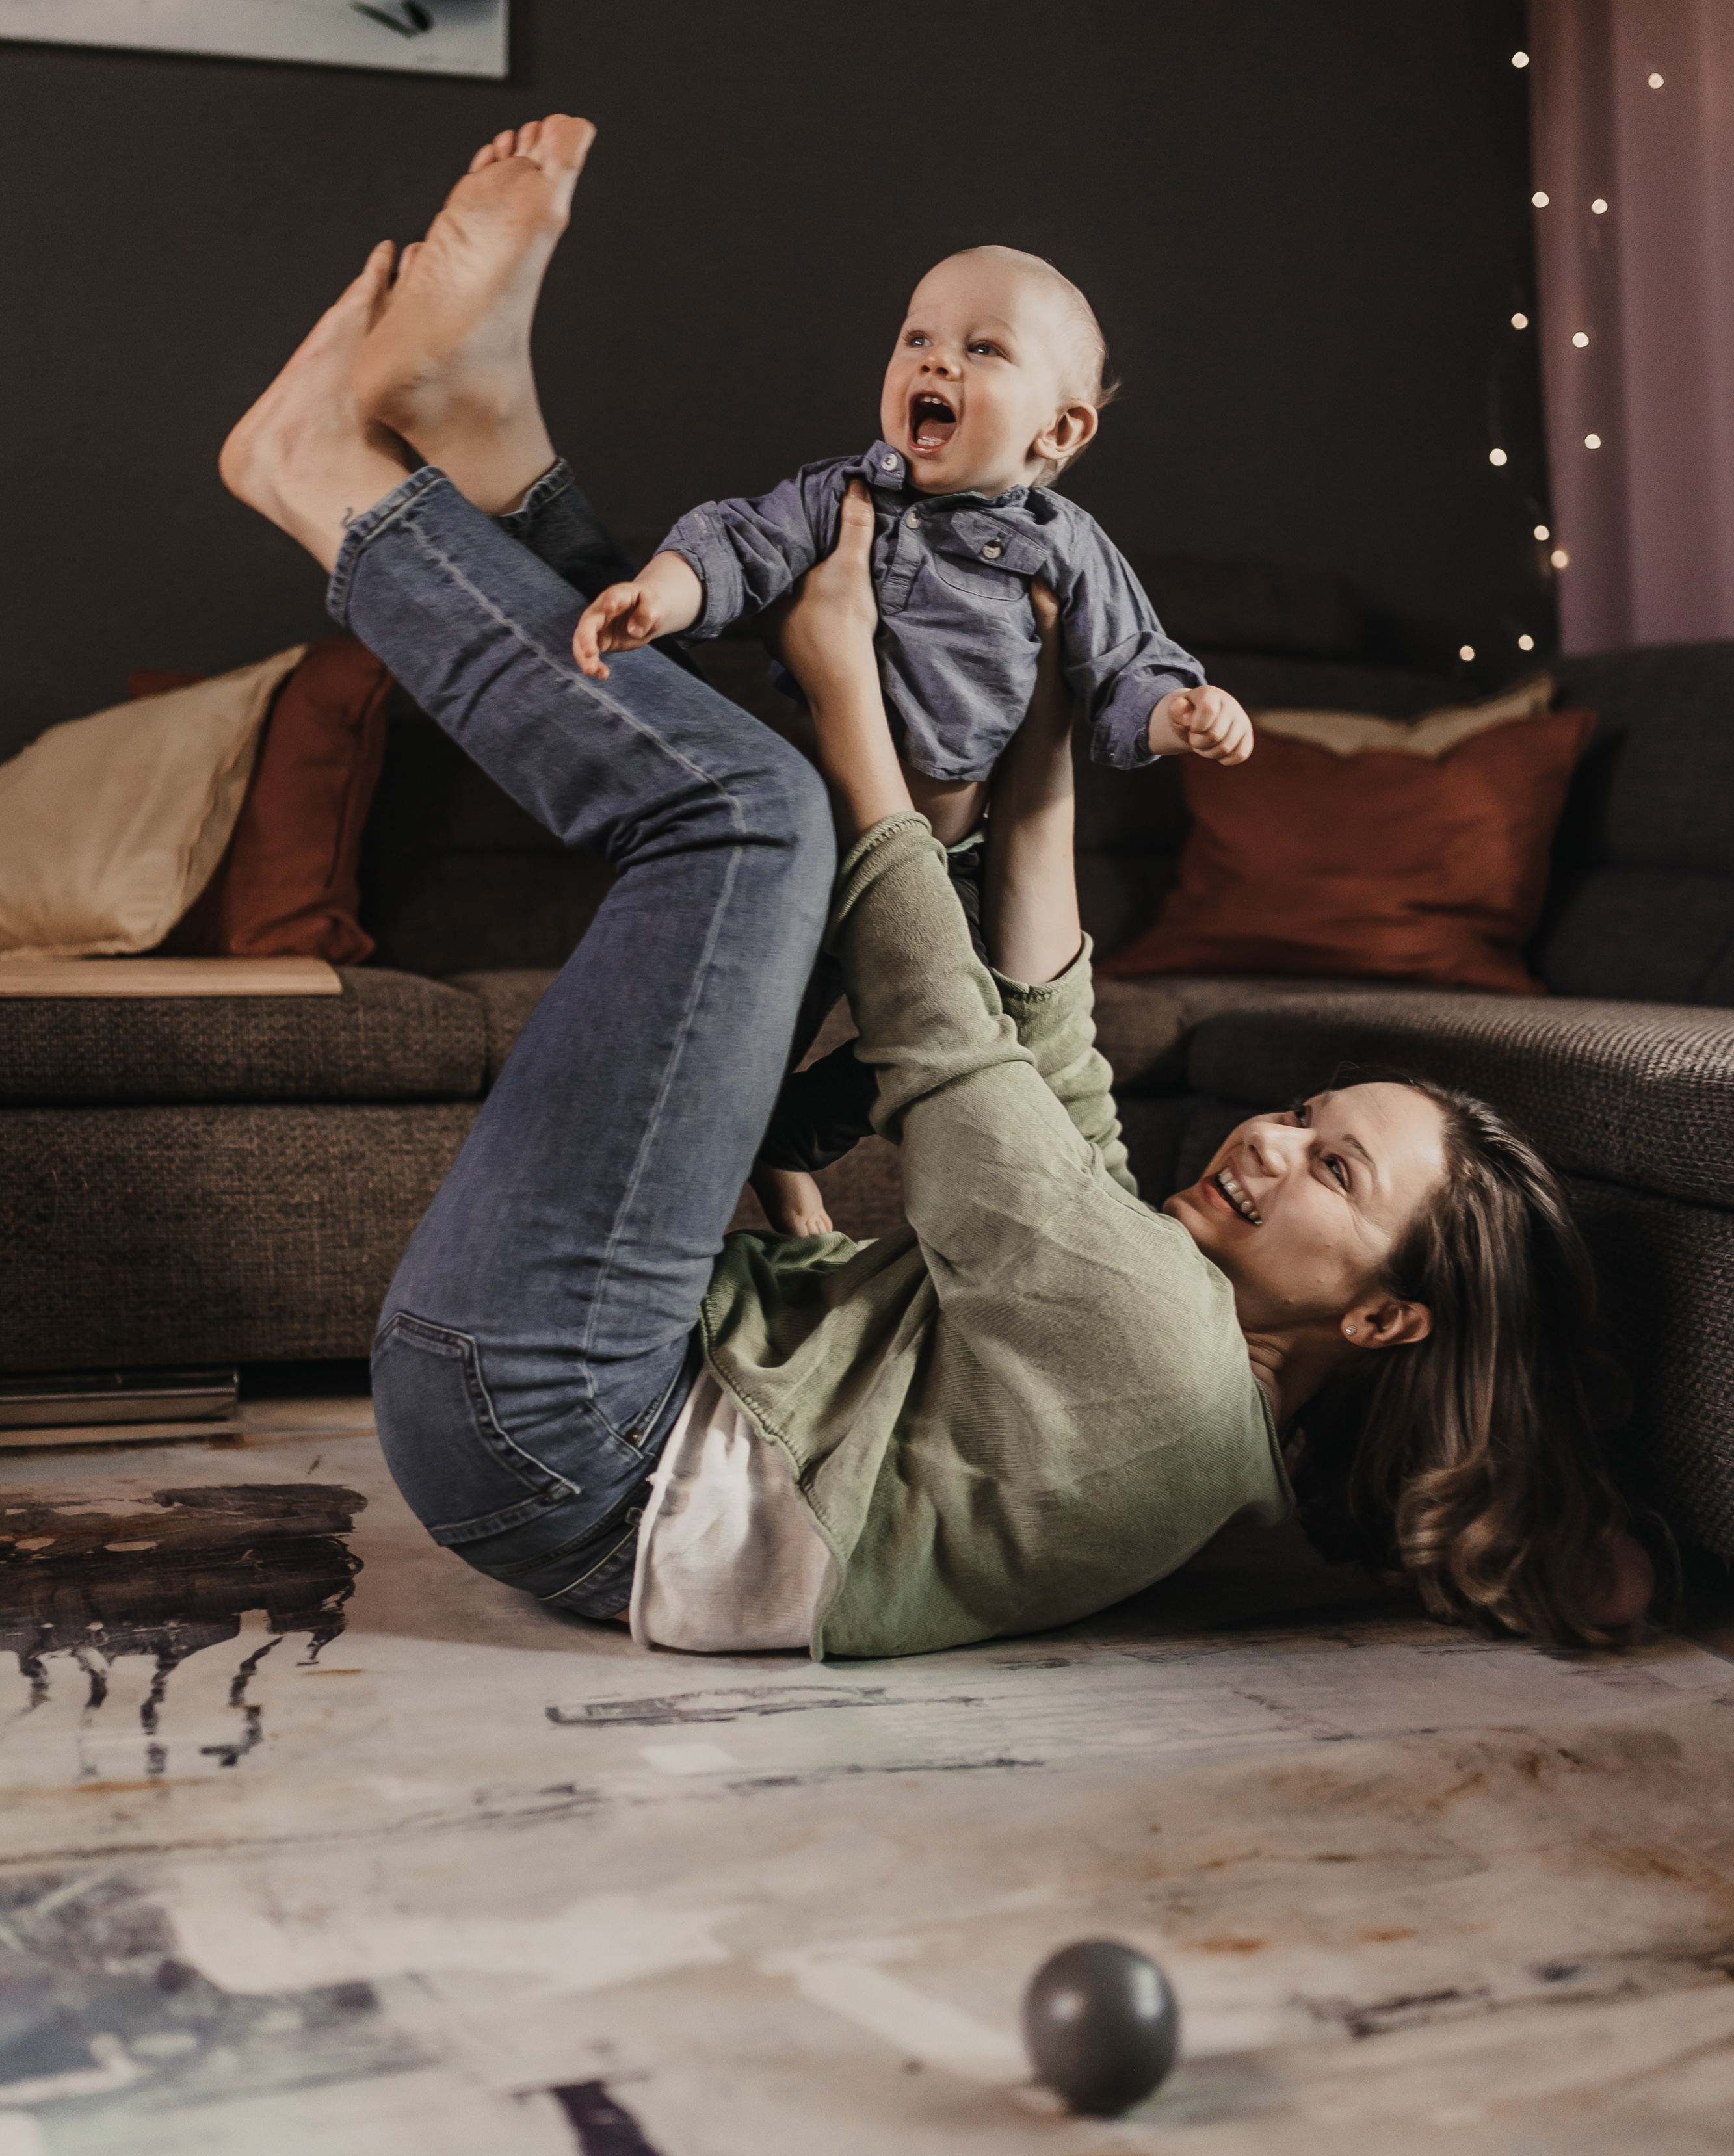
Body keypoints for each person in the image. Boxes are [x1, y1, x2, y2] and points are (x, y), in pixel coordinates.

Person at [220, 110, 1653, 1653]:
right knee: (802, 803)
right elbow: (1054, 1061)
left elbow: (946, 1051)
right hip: (598, 1390)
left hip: (561, 1437)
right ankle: (488, 439)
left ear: (1380, 1316)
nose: (1270, 1139)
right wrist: (1043, 748)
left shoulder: (1168, 1366)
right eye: (1309, 1118)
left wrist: (848, 699)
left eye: (1333, 1170)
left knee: (763, 816)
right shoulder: (1176, 1331)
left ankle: (325, 483)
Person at [564, 239, 1256, 1236]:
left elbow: (1125, 666)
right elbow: (734, 543)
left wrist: (1180, 715)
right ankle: (692, 1193)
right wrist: (658, 599)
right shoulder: (843, 498)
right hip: (818, 840)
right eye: (917, 338)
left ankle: (791, 1143)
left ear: (1059, 429)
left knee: (965, 1039)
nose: (935, 364)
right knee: (744, 1040)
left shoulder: (1066, 544)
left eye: (983, 349)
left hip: (958, 865)